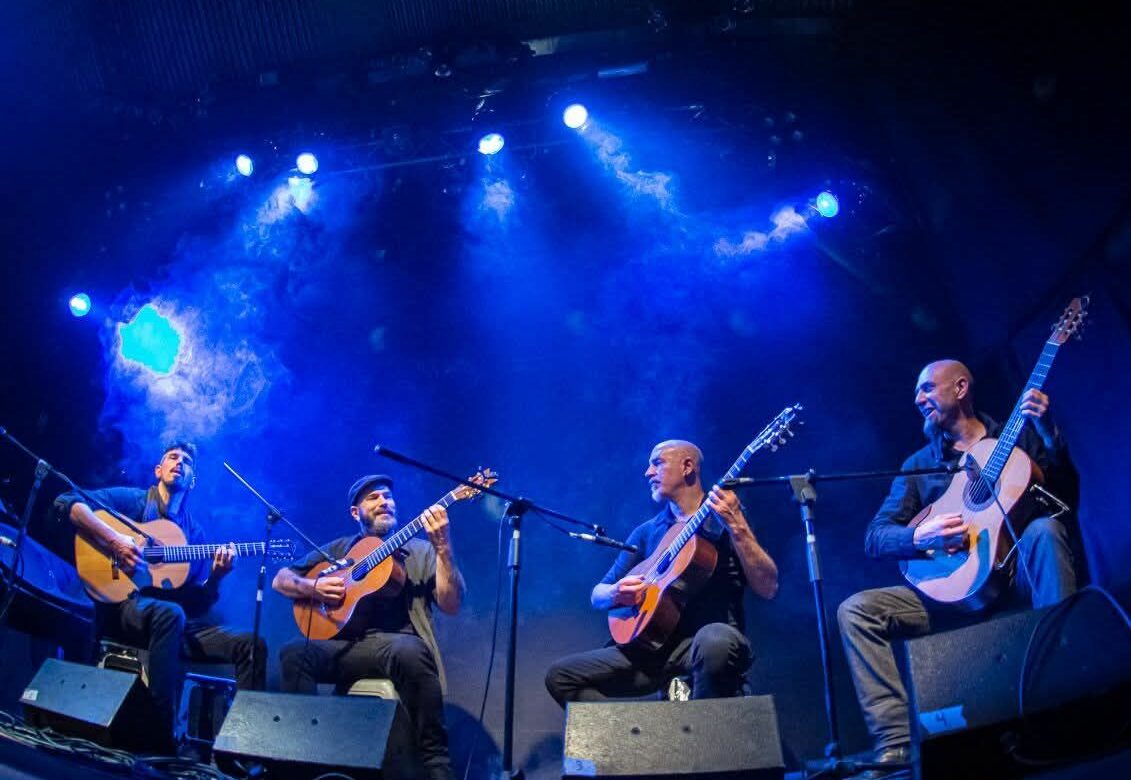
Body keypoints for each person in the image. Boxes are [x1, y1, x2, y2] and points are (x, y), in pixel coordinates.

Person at [836, 360, 1079, 774]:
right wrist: (919, 537)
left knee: (1043, 531)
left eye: (928, 388)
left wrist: (1049, 436)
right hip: (948, 590)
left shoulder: (1015, 436)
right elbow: (875, 537)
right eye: (917, 393)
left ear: (961, 387)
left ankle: (1063, 691)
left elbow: (1066, 498)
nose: (919, 399)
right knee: (855, 611)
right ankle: (896, 744)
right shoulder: (918, 464)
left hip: (1012, 575)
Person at [56, 441, 266, 752]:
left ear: (193, 479)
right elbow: (67, 501)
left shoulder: (195, 536)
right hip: (123, 606)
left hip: (170, 624)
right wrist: (114, 541)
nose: (179, 462)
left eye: (187, 461)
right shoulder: (135, 502)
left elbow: (196, 604)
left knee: (251, 644)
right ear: (159, 470)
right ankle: (158, 737)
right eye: (172, 457)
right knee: (171, 614)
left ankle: (250, 750)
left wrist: (217, 578)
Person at [545, 439, 779, 705]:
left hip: (706, 648)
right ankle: (630, 740)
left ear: (687, 466)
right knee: (561, 676)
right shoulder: (647, 532)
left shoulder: (726, 519)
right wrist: (615, 592)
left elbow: (768, 587)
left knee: (714, 639)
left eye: (657, 463)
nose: (648, 473)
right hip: (650, 650)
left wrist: (737, 528)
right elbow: (597, 595)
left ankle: (705, 738)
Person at [273, 474, 465, 780]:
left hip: (397, 646)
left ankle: (437, 767)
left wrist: (442, 548)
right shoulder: (340, 549)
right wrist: (314, 587)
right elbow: (281, 578)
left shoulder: (419, 549)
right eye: (373, 497)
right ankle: (300, 762)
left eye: (388, 496)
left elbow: (452, 604)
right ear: (355, 512)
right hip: (346, 648)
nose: (384, 501)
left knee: (409, 650)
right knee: (295, 653)